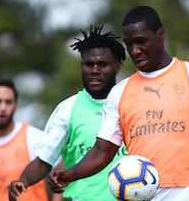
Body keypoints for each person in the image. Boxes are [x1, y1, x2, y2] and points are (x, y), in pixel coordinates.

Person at [48, 5, 189, 201]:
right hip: (138, 194)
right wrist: (71, 173)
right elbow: (102, 151)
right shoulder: (119, 93)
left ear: (160, 35)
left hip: (188, 191)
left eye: (141, 41)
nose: (135, 51)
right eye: (129, 44)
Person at [7, 25, 127, 201]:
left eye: (102, 64)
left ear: (116, 67)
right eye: (89, 64)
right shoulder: (68, 109)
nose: (95, 70)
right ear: (82, 66)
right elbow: (44, 161)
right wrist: (23, 180)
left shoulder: (130, 103)